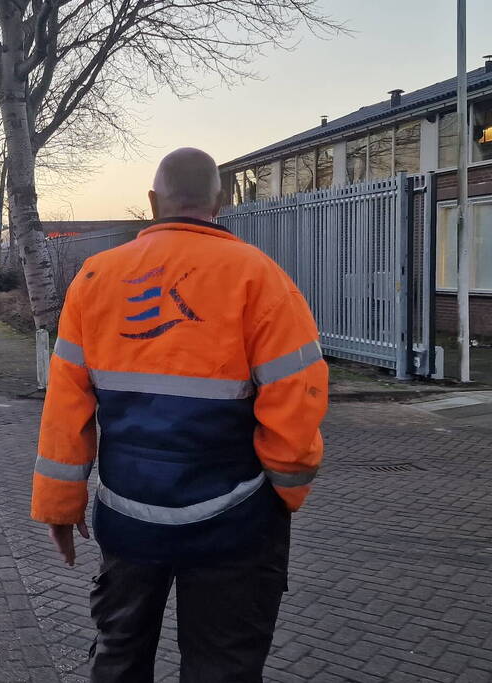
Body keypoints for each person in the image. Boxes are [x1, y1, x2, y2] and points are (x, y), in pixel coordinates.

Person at [31, 147, 328, 682]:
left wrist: (59, 503)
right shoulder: (260, 278)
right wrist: (284, 489)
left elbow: (66, 403)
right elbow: (298, 397)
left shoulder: (96, 279)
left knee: (119, 657)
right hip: (236, 521)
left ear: (152, 203)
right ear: (223, 199)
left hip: (129, 517)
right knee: (224, 666)